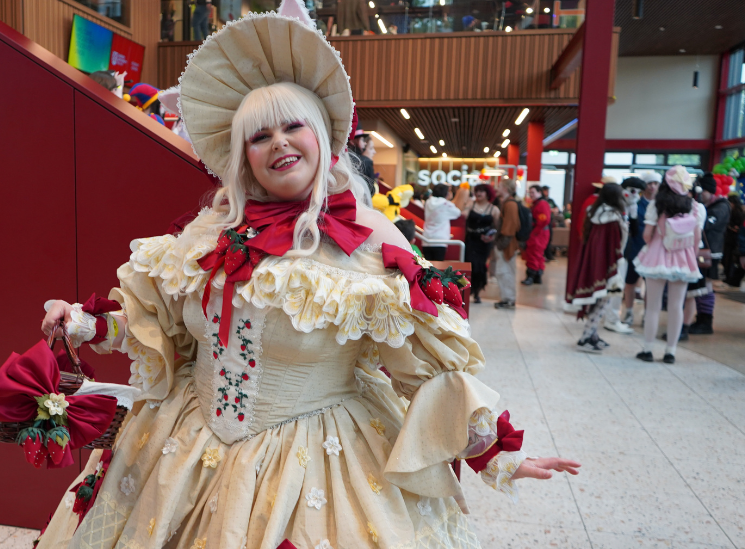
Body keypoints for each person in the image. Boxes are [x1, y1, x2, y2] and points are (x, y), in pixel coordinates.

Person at [32, 5, 578, 547]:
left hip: (321, 454)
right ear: (242, 154)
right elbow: (163, 325)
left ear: (323, 136)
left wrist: (499, 453)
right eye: (259, 135)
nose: (279, 144)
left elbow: (424, 368)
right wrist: (82, 324)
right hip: (181, 442)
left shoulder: (373, 236)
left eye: (294, 126)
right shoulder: (210, 231)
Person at [633, 166, 702, 364]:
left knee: (653, 306)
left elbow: (647, 234)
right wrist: (692, 256)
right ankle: (670, 352)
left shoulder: (656, 204)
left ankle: (647, 349)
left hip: (657, 256)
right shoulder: (694, 206)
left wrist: (654, 243)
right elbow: (696, 237)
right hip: (684, 258)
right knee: (676, 306)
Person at [565, 183, 628, 353]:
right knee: (602, 301)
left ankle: (592, 334)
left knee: (600, 301)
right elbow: (613, 244)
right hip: (607, 265)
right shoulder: (610, 217)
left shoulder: (596, 212)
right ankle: (587, 336)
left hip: (597, 262)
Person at [601, 177, 645, 334]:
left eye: (639, 192)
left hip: (624, 254)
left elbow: (633, 232)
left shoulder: (628, 208)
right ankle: (609, 318)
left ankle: (612, 318)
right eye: (632, 191)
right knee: (612, 286)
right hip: (612, 254)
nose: (635, 195)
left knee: (617, 286)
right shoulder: (612, 209)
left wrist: (633, 216)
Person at [687, 174, 730, 335]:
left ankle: (705, 321)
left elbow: (706, 225)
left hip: (711, 253)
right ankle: (701, 319)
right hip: (705, 251)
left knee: (707, 286)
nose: (700, 194)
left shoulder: (721, 206)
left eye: (703, 191)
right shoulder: (709, 206)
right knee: (703, 286)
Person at [621, 172, 660, 326]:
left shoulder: (661, 204)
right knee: (630, 282)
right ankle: (629, 313)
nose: (652, 186)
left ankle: (647, 315)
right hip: (635, 248)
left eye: (655, 183)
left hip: (653, 251)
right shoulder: (635, 202)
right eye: (650, 183)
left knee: (650, 285)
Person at [465, 183, 500, 304]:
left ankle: (477, 292)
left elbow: (498, 227)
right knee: (471, 264)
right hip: (470, 240)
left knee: (480, 266)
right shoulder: (470, 205)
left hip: (484, 243)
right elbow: (461, 216)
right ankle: (467, 290)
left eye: (481, 191)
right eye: (476, 191)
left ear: (488, 194)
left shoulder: (494, 209)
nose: (478, 194)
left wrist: (492, 237)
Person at [494, 177, 521, 309]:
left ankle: (508, 299)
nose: (497, 189)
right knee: (503, 272)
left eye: (499, 186)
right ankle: (506, 298)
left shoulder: (510, 204)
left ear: (505, 188)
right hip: (506, 244)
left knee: (506, 272)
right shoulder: (508, 203)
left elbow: (510, 227)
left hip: (507, 245)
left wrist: (501, 244)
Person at [421, 183, 462, 261]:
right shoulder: (446, 204)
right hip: (440, 240)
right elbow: (458, 213)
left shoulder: (428, 202)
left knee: (427, 267)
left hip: (426, 239)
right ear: (446, 193)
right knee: (438, 268)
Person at [521, 185, 551, 285]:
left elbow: (544, 220)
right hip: (539, 232)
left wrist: (534, 232)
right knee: (538, 255)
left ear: (539, 192)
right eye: (530, 192)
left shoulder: (541, 204)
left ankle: (531, 275)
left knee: (533, 253)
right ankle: (537, 276)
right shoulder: (538, 203)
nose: (531, 194)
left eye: (533, 192)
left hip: (538, 233)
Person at [723, 194, 745, 286]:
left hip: (735, 241)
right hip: (735, 242)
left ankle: (732, 280)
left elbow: (741, 232)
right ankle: (731, 279)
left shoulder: (738, 213)